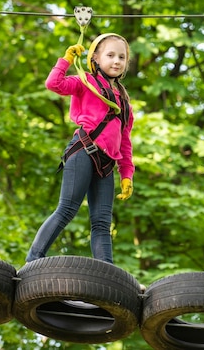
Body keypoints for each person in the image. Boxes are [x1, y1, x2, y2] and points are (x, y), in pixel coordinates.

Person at [26, 33, 135, 264]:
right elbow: (53, 84)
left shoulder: (124, 102)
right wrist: (65, 59)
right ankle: (33, 260)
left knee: (102, 223)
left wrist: (127, 175)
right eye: (110, 55)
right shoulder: (85, 82)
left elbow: (125, 142)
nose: (117, 61)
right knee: (67, 209)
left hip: (107, 164)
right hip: (84, 151)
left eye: (122, 57)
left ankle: (107, 273)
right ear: (95, 57)